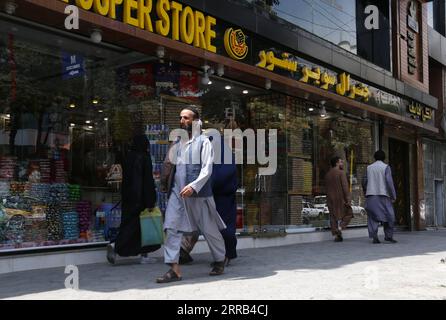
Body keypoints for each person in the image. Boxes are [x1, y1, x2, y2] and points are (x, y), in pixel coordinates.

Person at [156, 107, 226, 283]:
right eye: (180, 118)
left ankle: (219, 259)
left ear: (196, 121)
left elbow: (207, 169)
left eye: (186, 118)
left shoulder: (204, 142)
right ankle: (174, 269)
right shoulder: (178, 141)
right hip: (177, 193)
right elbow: (170, 165)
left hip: (197, 194)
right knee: (171, 227)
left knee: (208, 228)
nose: (182, 121)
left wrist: (194, 187)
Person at [179, 137, 238, 266]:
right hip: (209, 195)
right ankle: (184, 250)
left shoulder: (223, 157)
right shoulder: (215, 153)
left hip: (222, 198)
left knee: (223, 227)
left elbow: (219, 176)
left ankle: (226, 255)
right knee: (200, 223)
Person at [106, 135, 159, 264]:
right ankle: (116, 246)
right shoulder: (144, 158)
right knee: (137, 227)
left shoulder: (129, 157)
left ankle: (143, 255)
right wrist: (150, 200)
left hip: (129, 198)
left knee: (133, 226)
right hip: (141, 199)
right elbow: (147, 181)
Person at [362, 150, 397, 244]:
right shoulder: (386, 167)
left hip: (371, 195)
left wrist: (366, 191)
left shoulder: (369, 168)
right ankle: (388, 236)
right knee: (389, 216)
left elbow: (364, 181)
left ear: (374, 157)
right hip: (384, 195)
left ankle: (374, 237)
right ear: (384, 157)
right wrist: (393, 195)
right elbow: (389, 182)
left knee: (372, 217)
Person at [324, 156, 353, 242]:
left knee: (333, 217)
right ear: (336, 163)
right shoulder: (341, 173)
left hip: (330, 198)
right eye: (340, 162)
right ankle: (340, 228)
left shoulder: (327, 174)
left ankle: (337, 235)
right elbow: (345, 187)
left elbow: (326, 187)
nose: (342, 163)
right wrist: (348, 199)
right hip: (340, 198)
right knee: (349, 213)